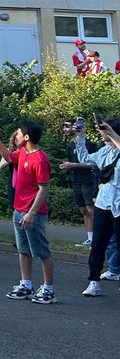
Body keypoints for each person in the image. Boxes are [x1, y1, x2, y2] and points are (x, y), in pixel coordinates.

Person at [0, 121, 53, 303]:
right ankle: (26, 284)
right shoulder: (23, 153)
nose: (16, 136)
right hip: (19, 210)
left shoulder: (40, 159)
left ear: (26, 137)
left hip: (33, 213)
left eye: (18, 133)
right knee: (23, 250)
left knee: (42, 251)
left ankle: (48, 289)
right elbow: (8, 157)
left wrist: (32, 213)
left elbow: (43, 189)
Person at [70, 117, 120, 298]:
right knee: (98, 245)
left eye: (104, 129)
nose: (101, 132)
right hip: (103, 204)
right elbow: (85, 159)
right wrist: (80, 137)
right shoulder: (104, 151)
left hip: (119, 205)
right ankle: (94, 282)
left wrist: (111, 132)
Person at [60, 119, 99, 246]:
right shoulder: (71, 145)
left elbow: (93, 164)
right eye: (63, 127)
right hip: (77, 180)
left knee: (90, 209)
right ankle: (90, 238)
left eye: (67, 126)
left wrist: (73, 165)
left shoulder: (88, 144)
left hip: (88, 180)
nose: (65, 129)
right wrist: (68, 167)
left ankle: (98, 238)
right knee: (83, 210)